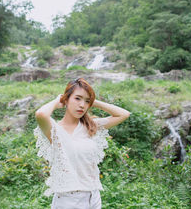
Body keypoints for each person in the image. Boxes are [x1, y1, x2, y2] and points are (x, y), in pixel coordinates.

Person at [34, 78, 130, 209]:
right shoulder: (55, 130)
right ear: (66, 99)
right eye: (77, 98)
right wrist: (58, 101)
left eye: (86, 101)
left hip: (93, 196)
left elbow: (124, 114)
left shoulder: (91, 126)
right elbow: (41, 114)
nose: (82, 105)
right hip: (68, 200)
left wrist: (93, 102)